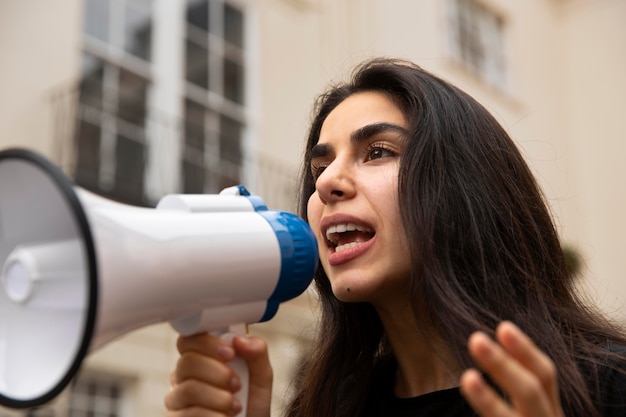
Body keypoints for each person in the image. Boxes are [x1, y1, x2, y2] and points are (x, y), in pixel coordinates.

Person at [165, 58, 626, 417]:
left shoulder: (608, 384)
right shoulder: (332, 404)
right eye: (320, 168)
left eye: (378, 152)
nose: (326, 184)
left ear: (465, 187)